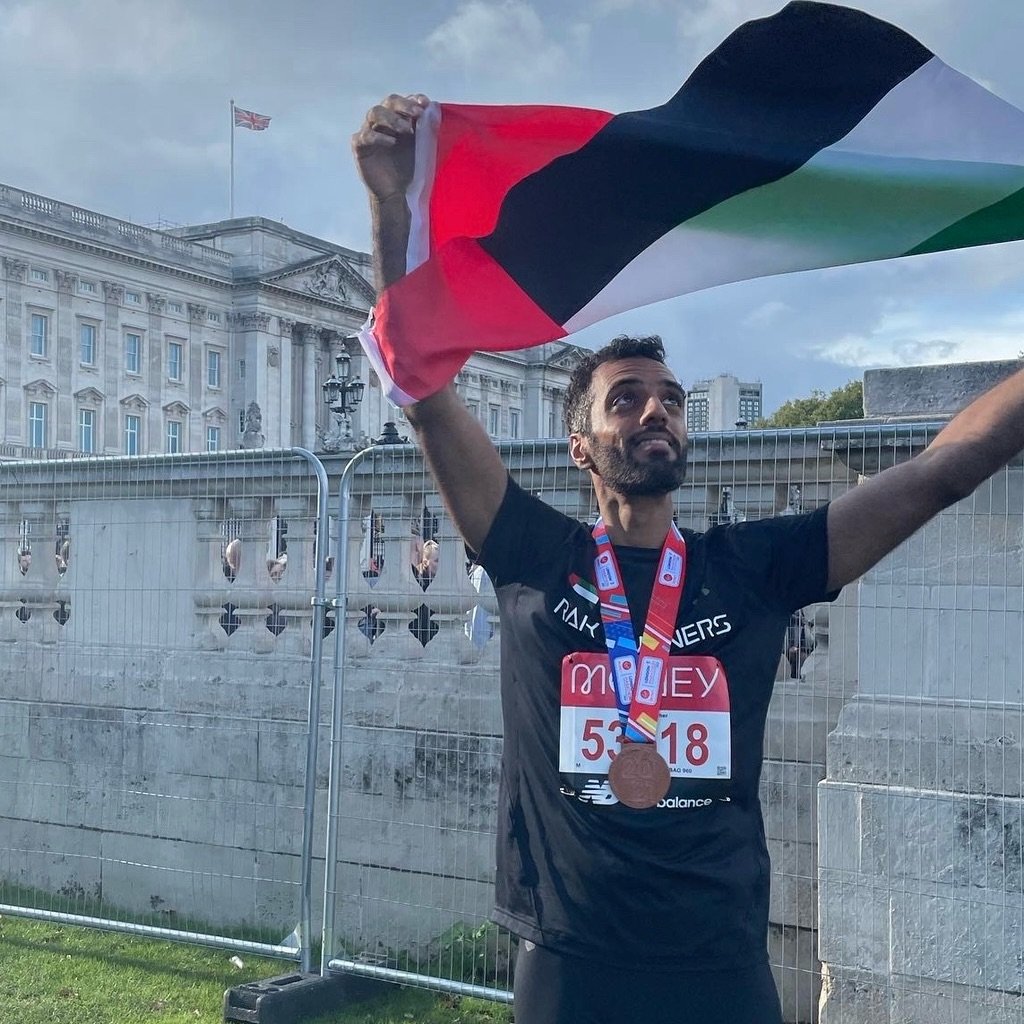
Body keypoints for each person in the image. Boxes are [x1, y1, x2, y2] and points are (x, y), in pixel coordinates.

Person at [353, 93, 1024, 1024]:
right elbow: (423, 385)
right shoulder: (531, 552)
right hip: (569, 960)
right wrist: (391, 207)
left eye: (670, 398)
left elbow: (937, 474)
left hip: (717, 960)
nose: (655, 410)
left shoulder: (752, 567)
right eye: (626, 398)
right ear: (581, 446)